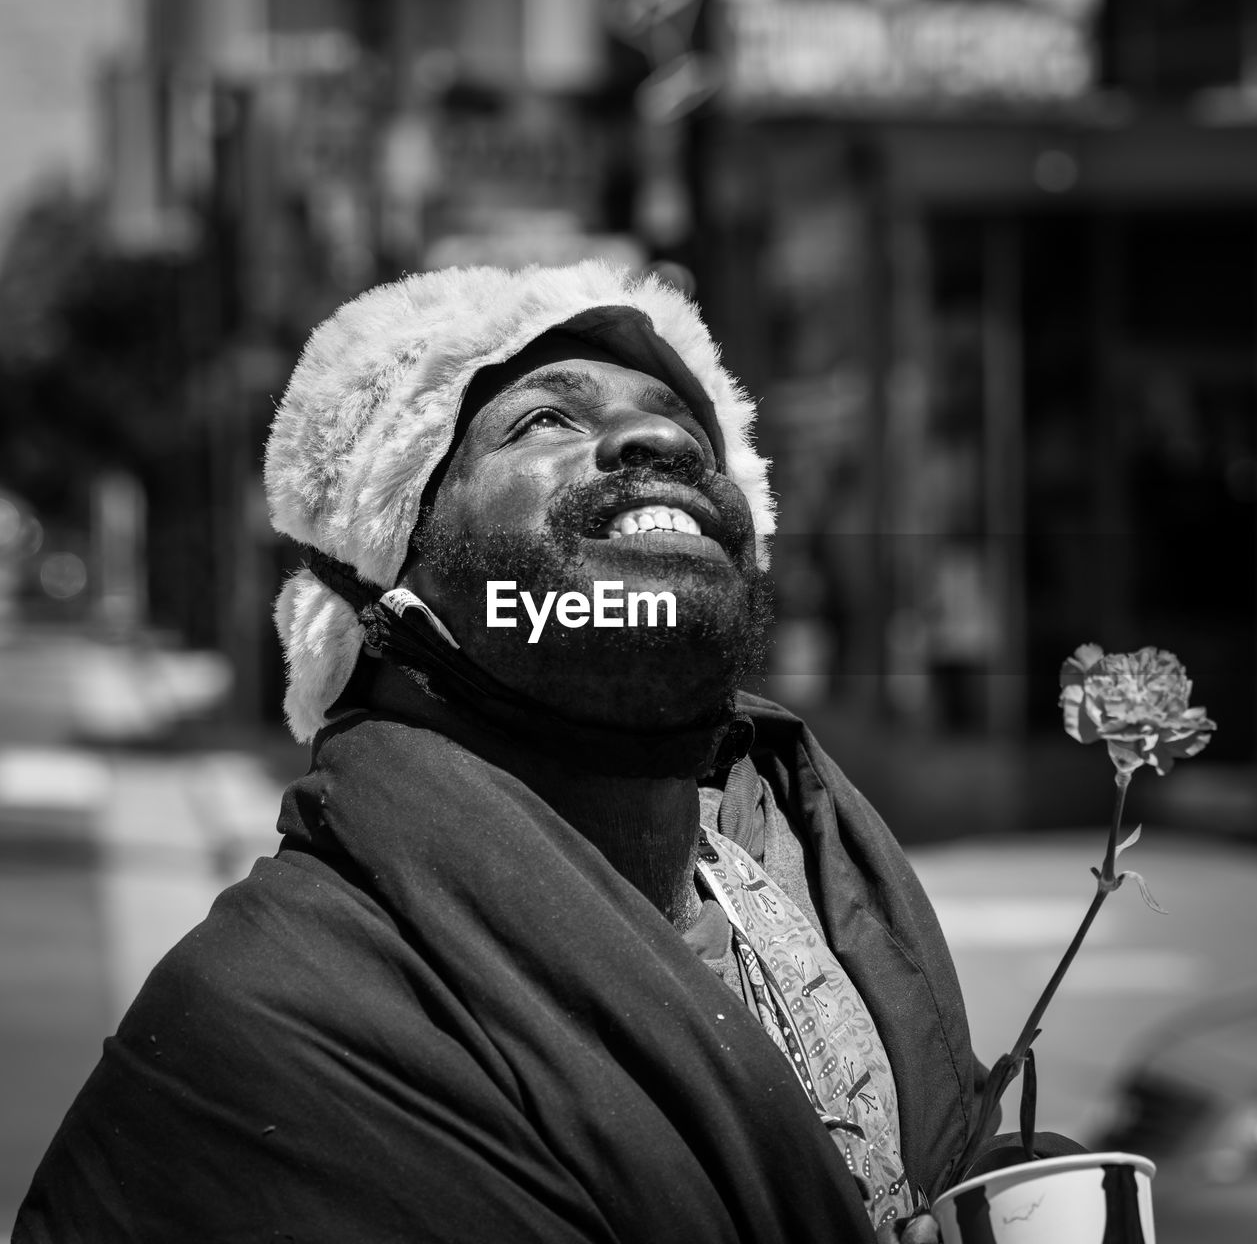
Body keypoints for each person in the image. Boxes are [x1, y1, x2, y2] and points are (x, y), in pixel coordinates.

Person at [16, 260, 1072, 1243]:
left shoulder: (821, 868)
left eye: (677, 422)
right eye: (545, 418)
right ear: (390, 591)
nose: (658, 445)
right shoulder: (273, 1022)